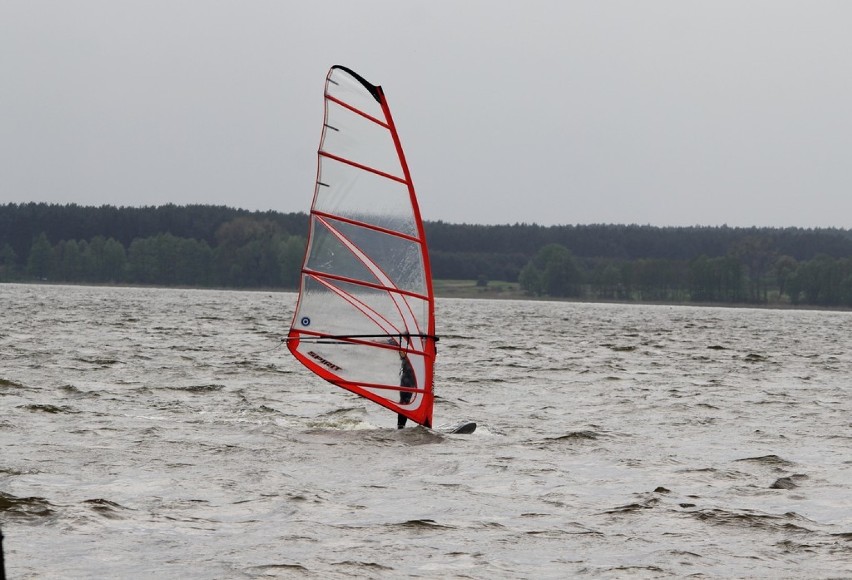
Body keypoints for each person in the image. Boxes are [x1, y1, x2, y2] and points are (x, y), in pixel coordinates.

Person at [397, 349, 415, 428]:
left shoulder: (411, 356)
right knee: (403, 402)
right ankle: (400, 425)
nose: (400, 354)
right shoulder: (405, 358)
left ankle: (401, 425)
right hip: (405, 380)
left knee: (406, 402)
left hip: (410, 381)